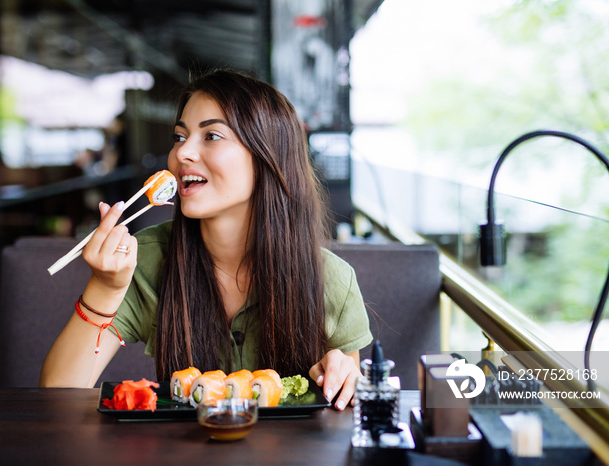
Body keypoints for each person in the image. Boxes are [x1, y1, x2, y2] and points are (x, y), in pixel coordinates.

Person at [40, 70, 373, 411]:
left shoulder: (331, 279)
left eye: (211, 136)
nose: (182, 153)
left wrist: (343, 373)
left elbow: (341, 405)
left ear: (268, 158)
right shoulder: (149, 260)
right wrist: (106, 287)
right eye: (179, 137)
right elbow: (58, 393)